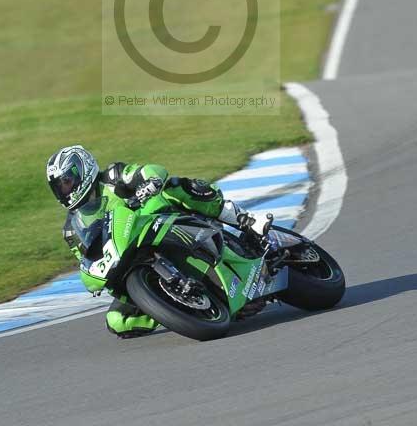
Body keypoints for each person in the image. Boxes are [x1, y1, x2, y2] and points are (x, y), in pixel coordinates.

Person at [46, 144, 273, 339]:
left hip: (157, 222)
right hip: (127, 255)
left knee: (175, 188)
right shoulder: (71, 228)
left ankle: (244, 219)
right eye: (59, 187)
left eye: (67, 181)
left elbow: (149, 171)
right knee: (117, 320)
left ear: (82, 169)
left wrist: (150, 183)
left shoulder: (113, 177)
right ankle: (177, 308)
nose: (65, 190)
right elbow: (84, 256)